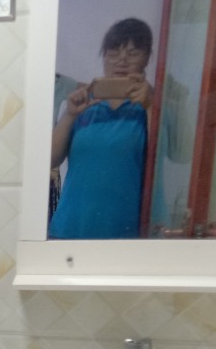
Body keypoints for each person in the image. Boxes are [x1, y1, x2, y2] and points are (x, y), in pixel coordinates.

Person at [48, 18, 154, 239]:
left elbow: (174, 159)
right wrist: (70, 115)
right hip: (70, 228)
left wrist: (151, 104)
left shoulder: (150, 107)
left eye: (132, 53)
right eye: (113, 53)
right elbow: (50, 160)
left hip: (126, 234)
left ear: (146, 58)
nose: (121, 61)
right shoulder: (82, 104)